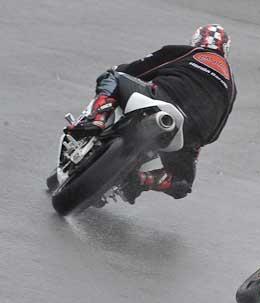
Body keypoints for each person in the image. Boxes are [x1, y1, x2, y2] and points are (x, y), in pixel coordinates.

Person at [66, 25, 236, 201]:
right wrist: (193, 145)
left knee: (113, 76)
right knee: (182, 182)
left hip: (162, 100)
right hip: (192, 133)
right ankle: (144, 179)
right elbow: (216, 131)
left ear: (196, 41)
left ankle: (97, 120)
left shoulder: (186, 52)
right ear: (225, 50)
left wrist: (120, 69)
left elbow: (135, 69)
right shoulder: (231, 85)